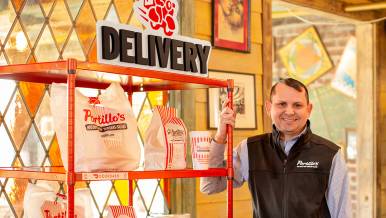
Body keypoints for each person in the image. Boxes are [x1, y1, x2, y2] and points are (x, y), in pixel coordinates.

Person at [200, 78, 351, 218]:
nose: (290, 111)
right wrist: (220, 135)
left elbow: (342, 213)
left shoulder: (330, 154)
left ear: (309, 109)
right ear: (268, 107)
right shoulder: (250, 149)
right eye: (282, 104)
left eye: (297, 105)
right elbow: (210, 185)